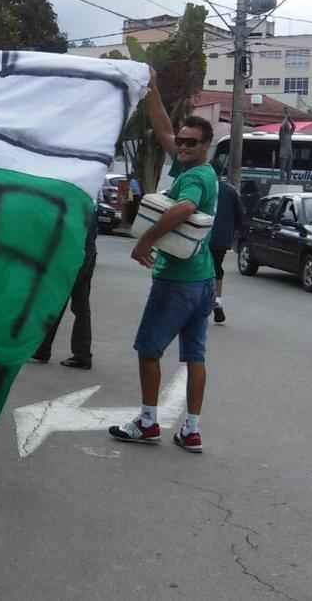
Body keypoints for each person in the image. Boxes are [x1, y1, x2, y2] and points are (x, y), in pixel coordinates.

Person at [110, 70, 218, 454]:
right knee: (195, 356)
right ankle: (191, 430)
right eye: (183, 141)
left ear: (207, 145)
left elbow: (185, 207)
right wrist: (153, 89)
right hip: (203, 279)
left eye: (191, 142)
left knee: (149, 350)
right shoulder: (197, 167)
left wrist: (145, 241)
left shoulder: (194, 178)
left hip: (177, 281)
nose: (182, 146)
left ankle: (147, 421)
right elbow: (162, 131)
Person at [33, 212, 97, 369]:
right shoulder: (88, 205)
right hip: (84, 259)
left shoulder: (76, 205)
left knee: (57, 304)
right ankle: (80, 354)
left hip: (73, 261)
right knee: (78, 308)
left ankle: (44, 350)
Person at [208, 177, 245, 323]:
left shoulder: (199, 186)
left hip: (200, 235)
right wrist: (231, 232)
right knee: (216, 268)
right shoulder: (230, 191)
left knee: (196, 268)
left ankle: (199, 302)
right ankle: (217, 301)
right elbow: (240, 216)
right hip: (221, 239)